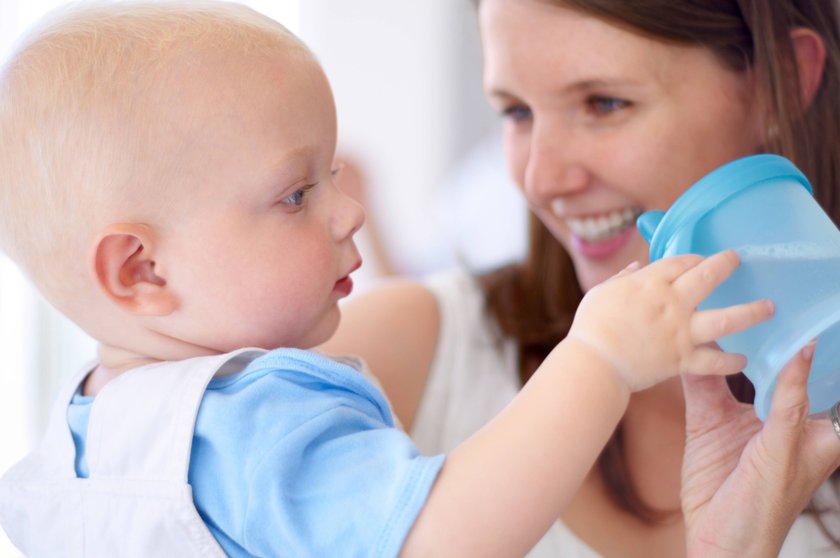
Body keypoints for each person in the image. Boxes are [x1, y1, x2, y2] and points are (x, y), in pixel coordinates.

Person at [0, 2, 775, 557]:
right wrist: (598, 359)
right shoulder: (265, 419)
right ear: (142, 271)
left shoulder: (80, 444)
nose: (350, 213)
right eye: (297, 194)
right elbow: (440, 538)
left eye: (332, 176)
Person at [322, 0, 840, 556]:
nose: (542, 179)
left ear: (782, 78)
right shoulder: (395, 358)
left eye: (605, 103)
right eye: (517, 112)